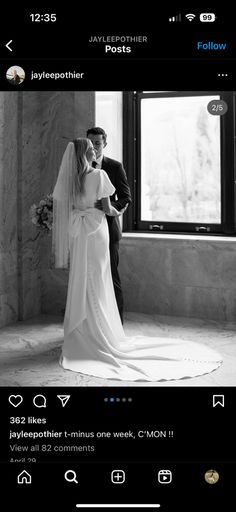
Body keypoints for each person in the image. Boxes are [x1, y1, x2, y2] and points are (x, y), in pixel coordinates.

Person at [52, 138, 222, 382]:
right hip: (96, 231)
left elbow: (66, 208)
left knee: (81, 277)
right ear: (87, 153)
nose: (94, 150)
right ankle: (101, 333)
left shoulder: (71, 180)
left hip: (80, 235)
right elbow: (109, 209)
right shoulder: (98, 175)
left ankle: (81, 332)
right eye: (91, 148)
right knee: (99, 280)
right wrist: (116, 211)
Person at [87, 127, 132, 324]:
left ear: (104, 143)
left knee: (111, 278)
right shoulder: (79, 168)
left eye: (97, 143)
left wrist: (108, 207)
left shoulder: (114, 166)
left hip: (108, 231)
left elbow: (125, 197)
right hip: (86, 231)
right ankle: (91, 326)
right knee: (88, 278)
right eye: (90, 143)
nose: (94, 147)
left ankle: (116, 327)